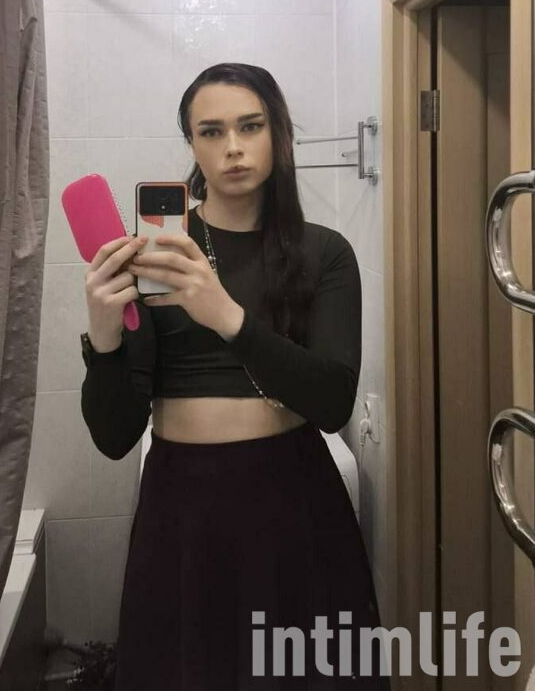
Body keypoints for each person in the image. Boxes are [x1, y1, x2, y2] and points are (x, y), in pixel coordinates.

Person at [80, 63, 390, 690]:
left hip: (292, 497)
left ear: (278, 134)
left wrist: (226, 316)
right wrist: (105, 338)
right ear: (192, 144)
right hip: (181, 509)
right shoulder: (156, 254)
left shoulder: (324, 252)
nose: (233, 147)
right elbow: (114, 436)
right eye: (211, 131)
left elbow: (333, 402)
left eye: (250, 126)